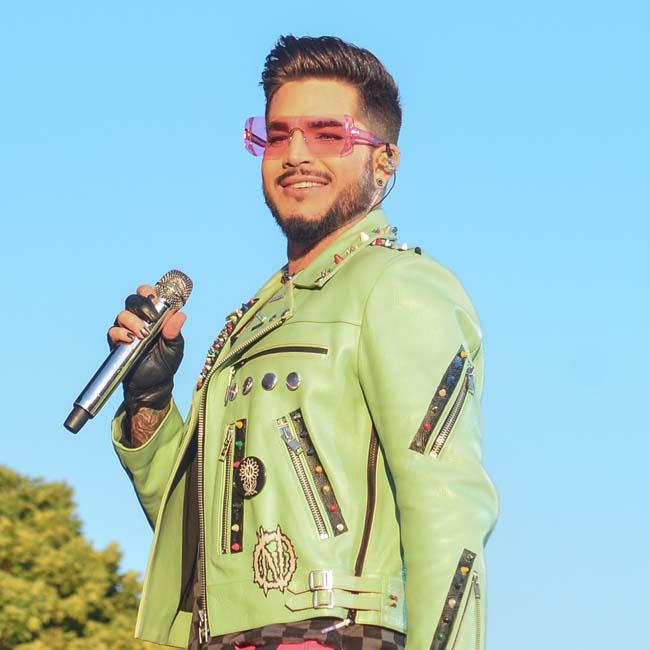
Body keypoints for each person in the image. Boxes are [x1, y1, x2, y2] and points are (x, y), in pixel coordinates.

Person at [108, 35, 498, 650]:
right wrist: (149, 398)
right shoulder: (254, 320)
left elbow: (448, 510)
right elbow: (205, 545)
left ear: (384, 160)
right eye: (277, 134)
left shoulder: (398, 286)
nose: (295, 154)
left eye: (327, 134)